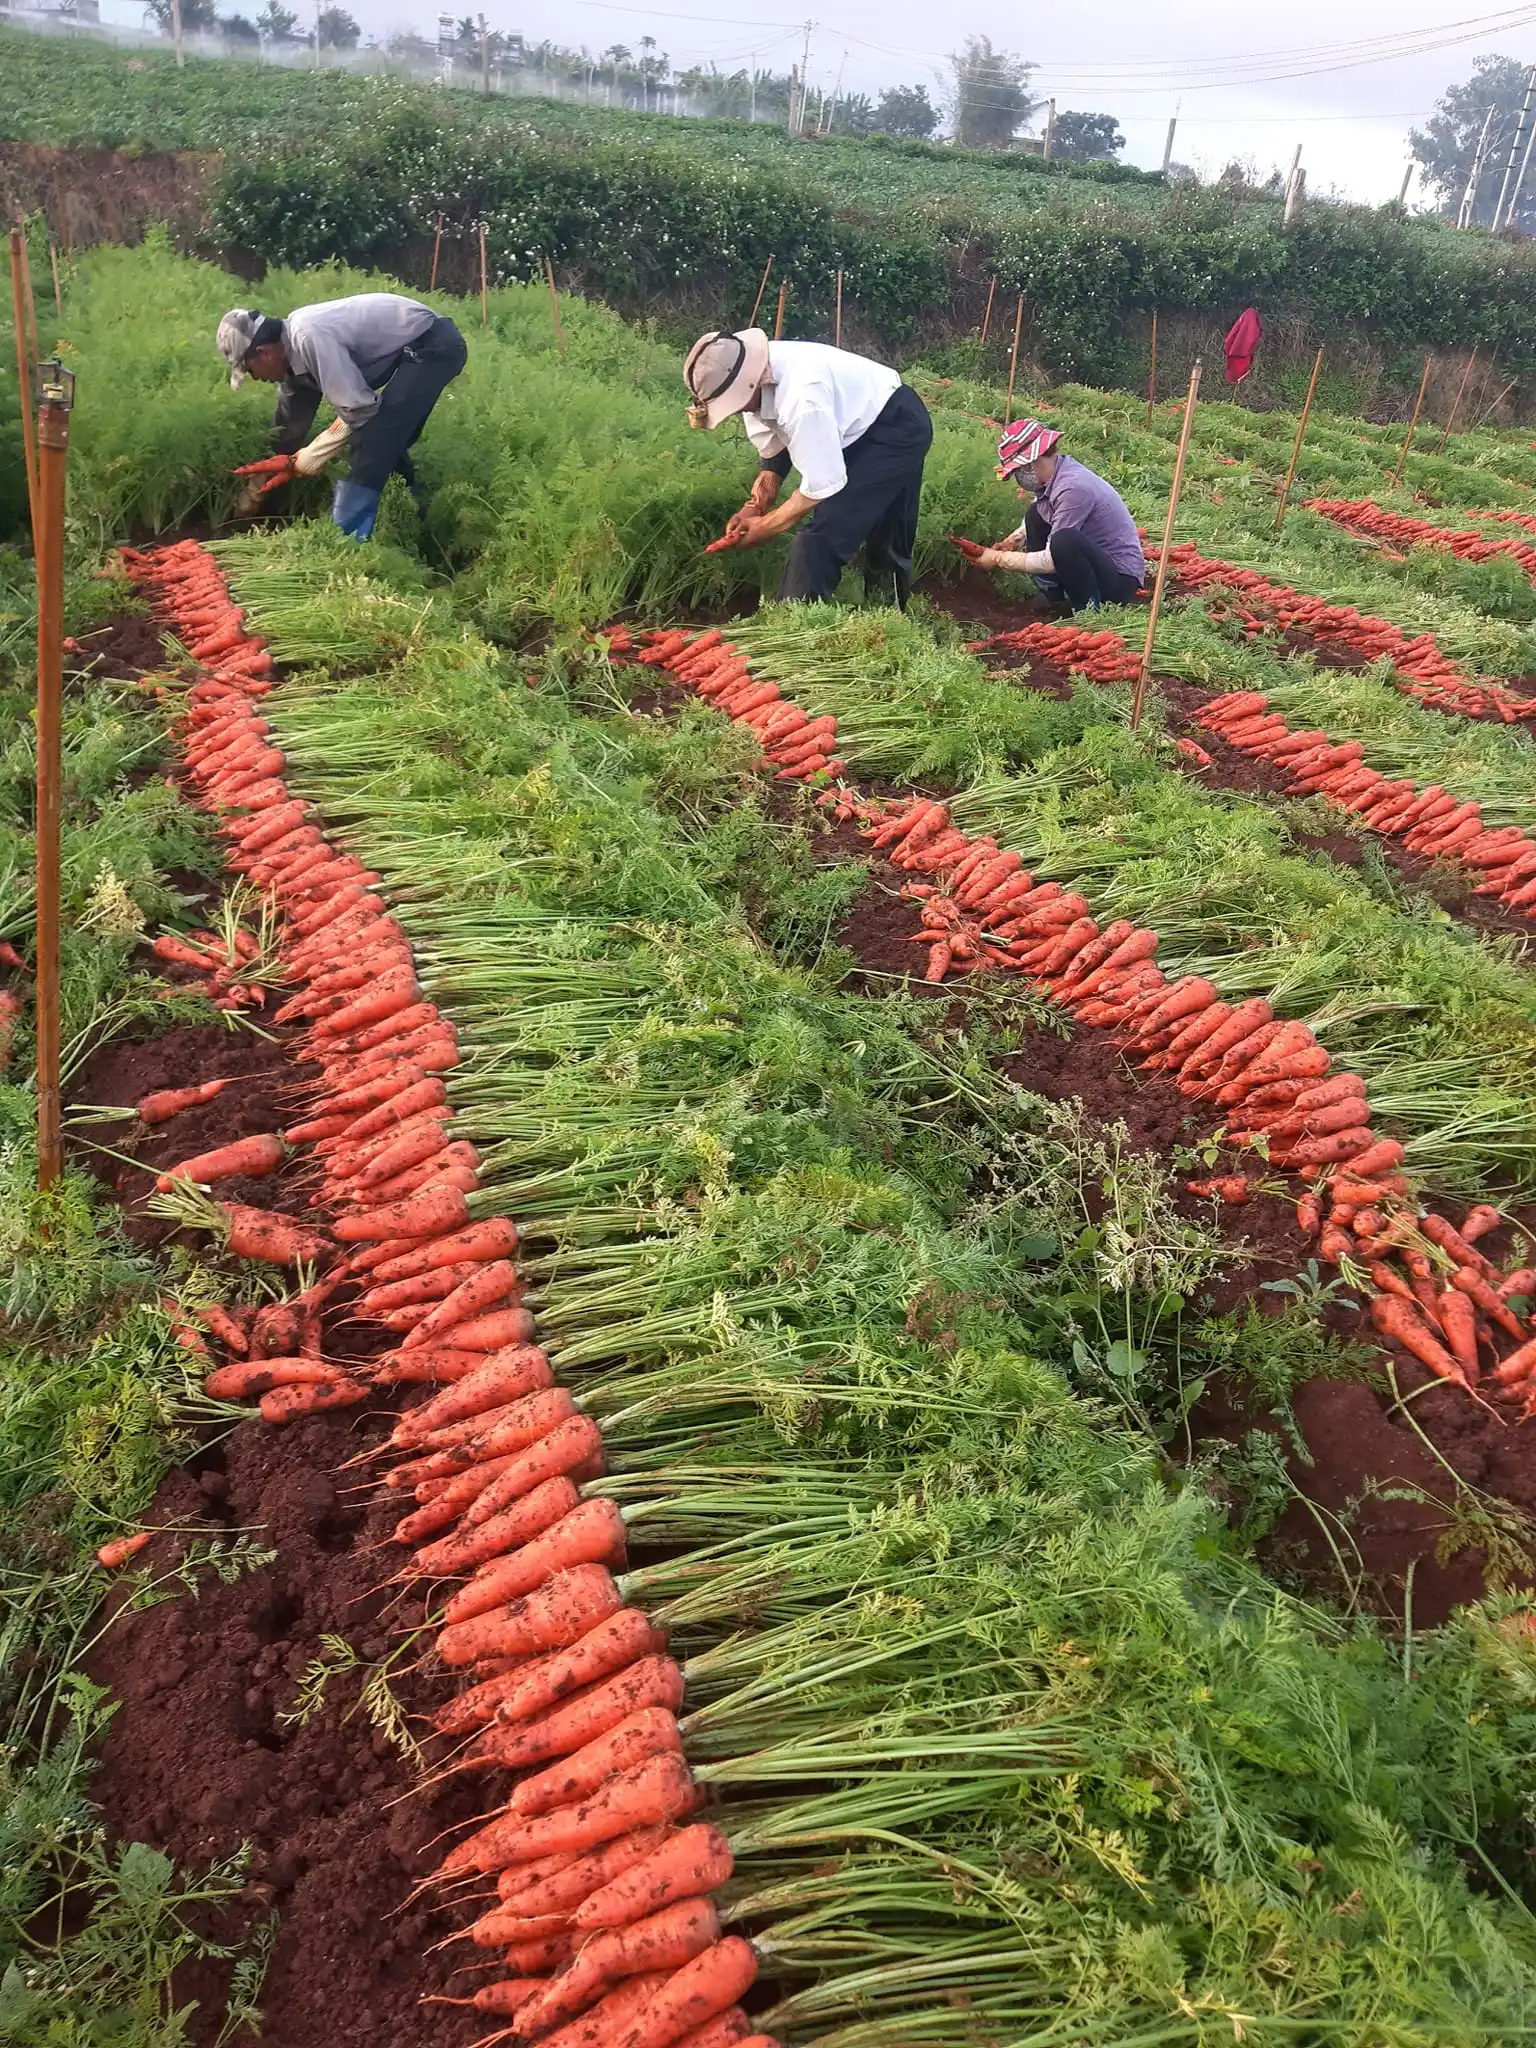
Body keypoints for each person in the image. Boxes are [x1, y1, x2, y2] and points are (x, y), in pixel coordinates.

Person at [684, 327, 933, 608]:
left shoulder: (803, 400)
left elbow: (820, 486)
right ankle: (883, 609)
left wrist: (766, 526)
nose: (739, 411)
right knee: (870, 523)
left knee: (828, 532)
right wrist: (754, 506)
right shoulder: (749, 370)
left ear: (749, 384)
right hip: (850, 419)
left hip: (895, 428)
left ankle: (794, 622)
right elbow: (774, 448)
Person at [216, 293, 468, 540]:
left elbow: (359, 409)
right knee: (388, 442)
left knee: (373, 438)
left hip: (431, 345)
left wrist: (315, 454)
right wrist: (253, 490)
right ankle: (413, 523)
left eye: (250, 370)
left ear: (265, 352)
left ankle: (344, 543)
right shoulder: (292, 368)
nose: (256, 378)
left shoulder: (307, 336)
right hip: (412, 347)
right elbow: (286, 431)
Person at [972, 418, 1145, 612]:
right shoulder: (1059, 474)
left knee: (1064, 541)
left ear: (1031, 463)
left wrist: (997, 558)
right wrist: (1012, 542)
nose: (1019, 478)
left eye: (1018, 471)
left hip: (1119, 579)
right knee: (1035, 514)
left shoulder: (1073, 487)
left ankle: (1087, 609)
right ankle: (1052, 594)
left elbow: (1050, 559)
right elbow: (1040, 511)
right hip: (1094, 563)